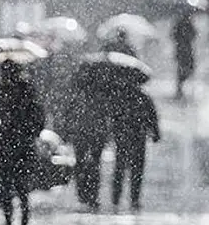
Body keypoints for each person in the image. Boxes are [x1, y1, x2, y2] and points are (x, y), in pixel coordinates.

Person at [0, 59, 45, 225]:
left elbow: (36, 115)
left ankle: (23, 212)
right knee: (6, 184)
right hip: (6, 142)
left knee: (19, 183)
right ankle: (8, 219)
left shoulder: (26, 90)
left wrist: (25, 128)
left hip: (20, 142)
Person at [110, 85, 161, 211]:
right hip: (139, 138)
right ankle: (134, 199)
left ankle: (116, 198)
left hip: (123, 138)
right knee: (136, 170)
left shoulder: (120, 97)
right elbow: (152, 117)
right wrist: (155, 133)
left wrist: (115, 132)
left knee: (120, 168)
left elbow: (113, 118)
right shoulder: (144, 98)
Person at [68, 62, 109, 211]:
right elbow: (105, 115)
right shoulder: (101, 94)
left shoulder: (78, 93)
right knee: (94, 164)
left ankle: (83, 192)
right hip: (95, 134)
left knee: (81, 163)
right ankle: (91, 193)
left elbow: (69, 114)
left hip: (83, 133)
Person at [172, 11, 197, 100]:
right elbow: (194, 35)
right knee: (184, 69)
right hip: (184, 50)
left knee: (184, 69)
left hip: (183, 50)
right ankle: (180, 88)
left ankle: (180, 88)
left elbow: (174, 35)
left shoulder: (182, 25)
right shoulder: (184, 24)